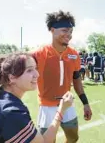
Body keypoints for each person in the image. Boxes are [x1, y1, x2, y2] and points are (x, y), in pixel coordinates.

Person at [33, 10, 92, 143]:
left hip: (67, 104)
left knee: (73, 137)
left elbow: (77, 81)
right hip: (47, 106)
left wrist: (86, 103)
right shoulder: (39, 54)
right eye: (65, 30)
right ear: (52, 30)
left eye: (71, 31)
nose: (69, 35)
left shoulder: (74, 54)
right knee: (48, 141)